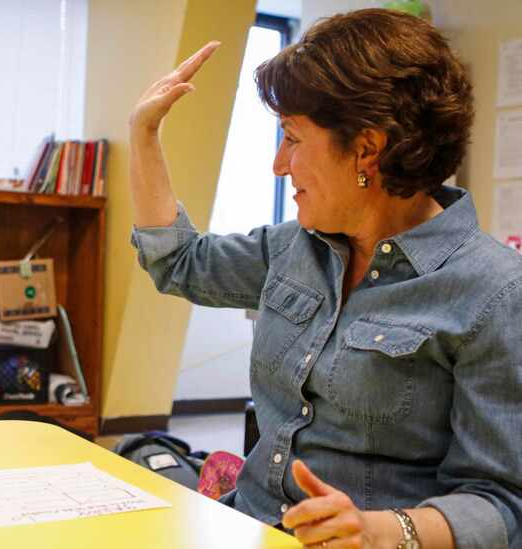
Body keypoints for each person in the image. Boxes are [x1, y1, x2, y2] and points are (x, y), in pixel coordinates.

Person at [129, 8, 522, 549]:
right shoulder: (296, 247)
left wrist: (384, 529)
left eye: (292, 138)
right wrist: (144, 135)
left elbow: (503, 505)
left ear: (367, 148)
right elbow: (180, 263)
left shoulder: (495, 293)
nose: (278, 164)